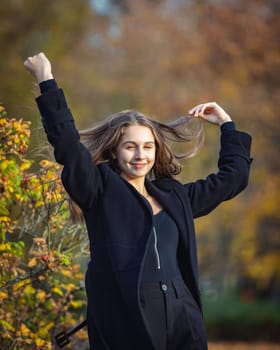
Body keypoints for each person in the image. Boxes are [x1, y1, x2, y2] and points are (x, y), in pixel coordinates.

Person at [24, 52, 252, 350]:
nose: (140, 155)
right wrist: (46, 80)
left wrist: (227, 124)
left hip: (184, 319)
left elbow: (231, 179)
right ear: (115, 151)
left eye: (147, 147)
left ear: (156, 151)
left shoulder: (174, 197)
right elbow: (68, 146)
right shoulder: (99, 192)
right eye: (130, 147)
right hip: (126, 324)